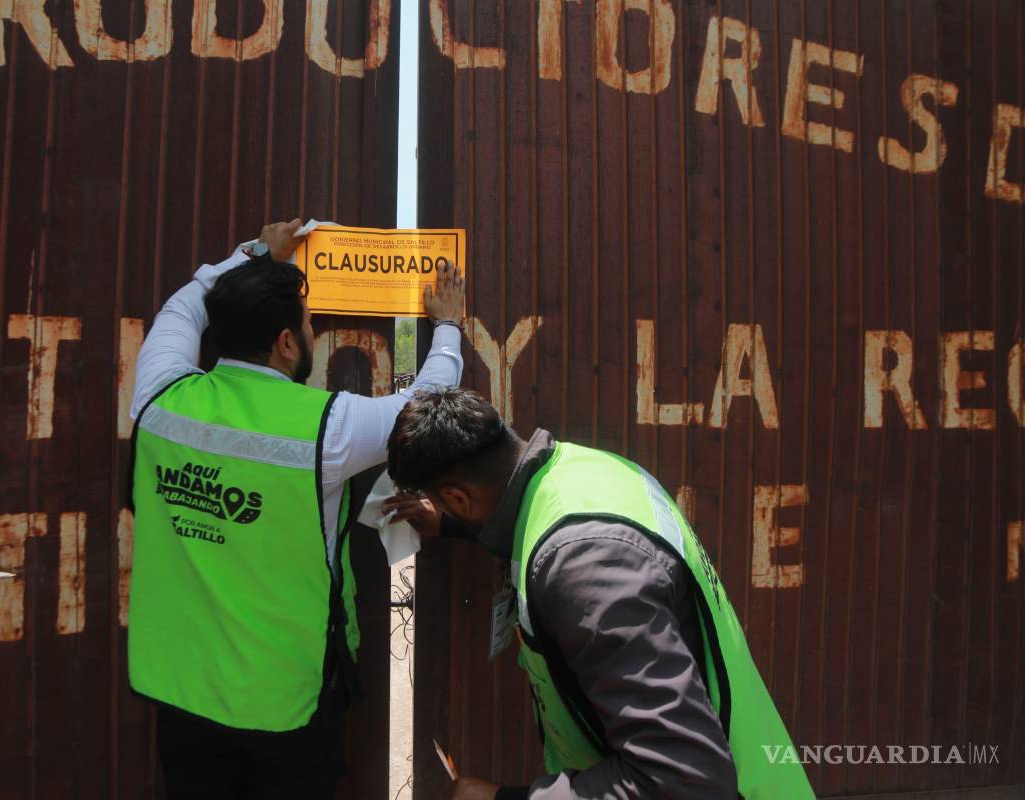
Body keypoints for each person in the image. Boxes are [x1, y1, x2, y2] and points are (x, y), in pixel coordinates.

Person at [127, 218, 466, 798]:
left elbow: (182, 309)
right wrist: (450, 326)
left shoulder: (159, 399)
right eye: (307, 326)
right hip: (284, 707)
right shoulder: (325, 429)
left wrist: (255, 255)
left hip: (179, 699)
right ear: (287, 343)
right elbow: (426, 403)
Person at [383, 388, 815, 800]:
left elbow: (684, 782)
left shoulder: (584, 566)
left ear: (457, 496)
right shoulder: (585, 472)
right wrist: (454, 523)